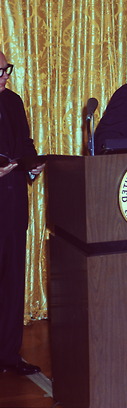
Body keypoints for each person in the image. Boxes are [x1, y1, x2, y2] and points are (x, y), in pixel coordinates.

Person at [0, 51, 45, 375]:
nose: (6, 75)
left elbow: (25, 144)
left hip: (13, 205)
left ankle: (8, 355)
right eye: (0, 71)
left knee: (13, 282)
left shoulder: (13, 101)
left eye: (6, 69)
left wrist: (32, 165)